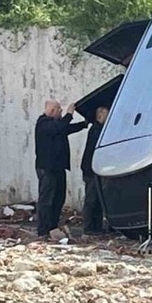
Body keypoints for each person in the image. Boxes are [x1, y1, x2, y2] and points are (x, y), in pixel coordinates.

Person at [34, 99, 89, 239]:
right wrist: (70, 114)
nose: (61, 112)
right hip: (47, 169)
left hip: (58, 168)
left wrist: (83, 124)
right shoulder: (43, 124)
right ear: (52, 111)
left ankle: (52, 226)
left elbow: (66, 128)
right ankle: (43, 230)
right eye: (59, 110)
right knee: (47, 199)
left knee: (58, 198)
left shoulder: (56, 125)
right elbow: (60, 127)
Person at [79, 106, 110, 235]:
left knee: (96, 199)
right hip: (91, 169)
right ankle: (89, 226)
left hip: (92, 168)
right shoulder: (98, 130)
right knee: (92, 199)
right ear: (100, 116)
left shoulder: (96, 129)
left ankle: (95, 226)